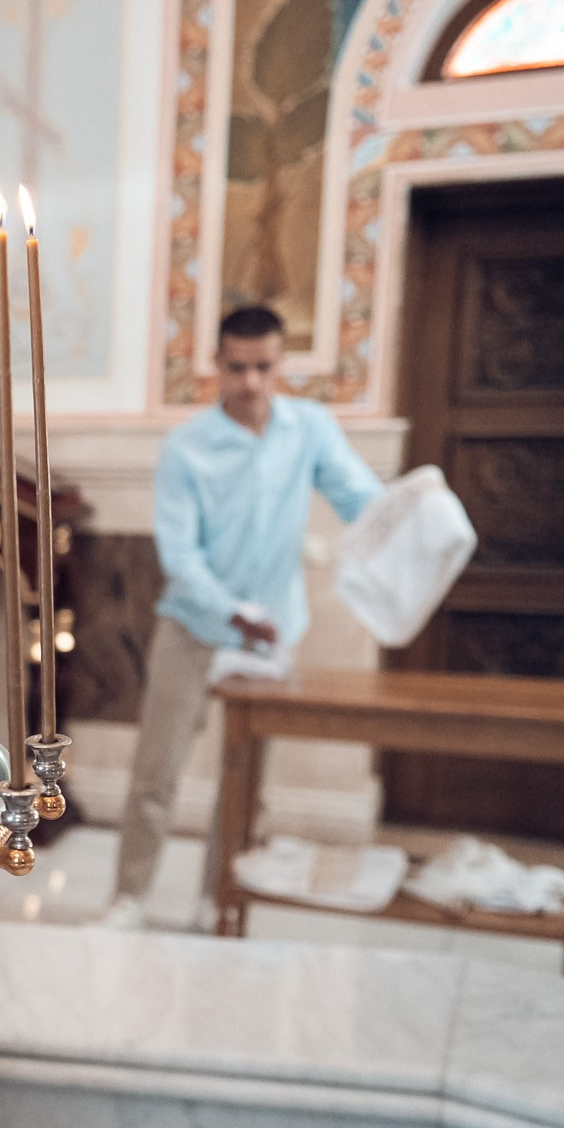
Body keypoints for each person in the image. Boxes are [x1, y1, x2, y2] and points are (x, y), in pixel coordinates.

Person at [101, 306, 381, 929]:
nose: (251, 382)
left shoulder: (309, 429)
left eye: (263, 367)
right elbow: (179, 556)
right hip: (192, 628)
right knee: (157, 771)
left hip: (271, 636)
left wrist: (413, 516)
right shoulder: (186, 448)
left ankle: (216, 896)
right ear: (216, 366)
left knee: (244, 778)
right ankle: (129, 898)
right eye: (237, 367)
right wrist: (233, 613)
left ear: (281, 364)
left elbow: (361, 498)